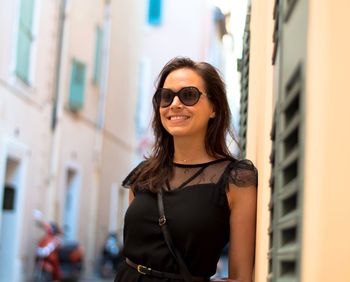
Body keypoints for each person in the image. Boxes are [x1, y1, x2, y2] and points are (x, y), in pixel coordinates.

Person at [114, 57, 257, 282]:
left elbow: (240, 278)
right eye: (166, 96)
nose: (175, 104)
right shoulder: (143, 175)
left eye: (188, 95)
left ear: (214, 108)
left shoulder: (236, 180)